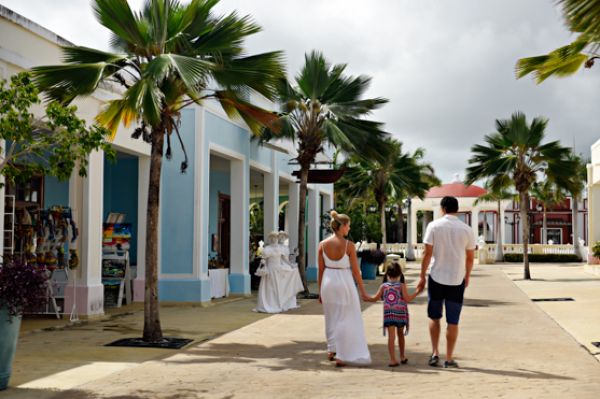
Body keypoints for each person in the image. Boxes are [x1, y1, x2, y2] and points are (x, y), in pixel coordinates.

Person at [416, 196, 476, 368]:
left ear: (442, 209)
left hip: (436, 277)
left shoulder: (433, 226)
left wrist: (421, 275)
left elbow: (427, 253)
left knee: (434, 317)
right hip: (457, 279)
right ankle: (449, 358)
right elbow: (470, 258)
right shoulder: (466, 229)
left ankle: (435, 353)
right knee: (453, 321)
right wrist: (468, 275)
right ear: (457, 209)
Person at [318, 210, 371, 367]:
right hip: (344, 282)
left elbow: (320, 270)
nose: (349, 229)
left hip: (328, 281)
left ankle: (331, 349)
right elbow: (356, 271)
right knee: (344, 317)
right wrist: (363, 291)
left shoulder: (322, 245)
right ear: (343, 227)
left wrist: (320, 290)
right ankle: (341, 354)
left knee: (330, 316)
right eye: (348, 226)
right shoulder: (349, 246)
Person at [366, 262, 421, 367]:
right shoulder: (401, 285)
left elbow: (374, 299)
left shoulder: (383, 286)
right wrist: (417, 292)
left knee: (391, 337)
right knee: (401, 335)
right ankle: (402, 356)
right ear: (400, 275)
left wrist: (365, 297)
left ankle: (392, 359)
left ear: (387, 275)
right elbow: (407, 299)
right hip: (400, 314)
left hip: (389, 315)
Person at [254, 231, 303, 313]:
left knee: (279, 287)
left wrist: (291, 265)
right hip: (270, 269)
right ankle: (271, 304)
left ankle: (281, 303)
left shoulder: (281, 248)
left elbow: (283, 259)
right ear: (270, 239)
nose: (274, 239)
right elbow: (264, 259)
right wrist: (262, 265)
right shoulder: (267, 249)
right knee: (270, 287)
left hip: (279, 269)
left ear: (277, 238)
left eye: (275, 237)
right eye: (272, 238)